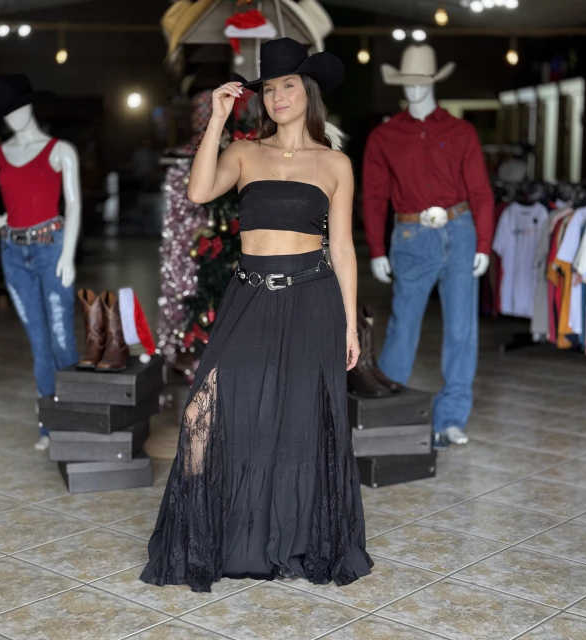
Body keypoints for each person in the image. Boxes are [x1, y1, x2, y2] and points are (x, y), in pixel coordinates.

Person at [140, 37, 373, 593]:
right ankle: (206, 539)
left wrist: (349, 324)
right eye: (268, 89)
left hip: (312, 299)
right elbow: (199, 190)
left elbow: (343, 248)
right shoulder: (245, 153)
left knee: (301, 422)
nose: (277, 97)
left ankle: (293, 543)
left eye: (288, 85)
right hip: (249, 296)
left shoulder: (335, 163)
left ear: (308, 91)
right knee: (203, 410)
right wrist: (218, 119)